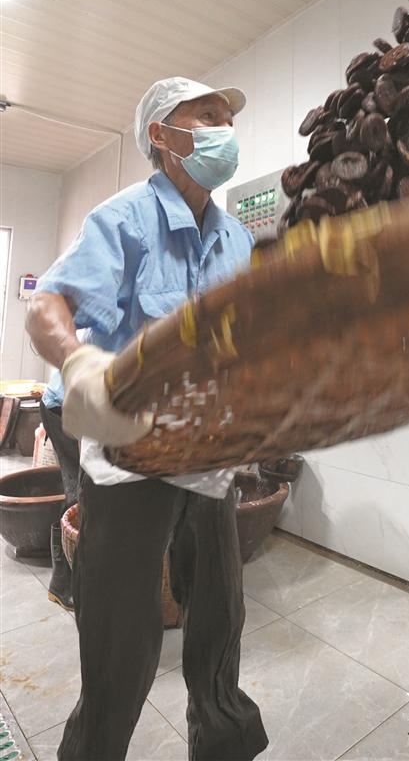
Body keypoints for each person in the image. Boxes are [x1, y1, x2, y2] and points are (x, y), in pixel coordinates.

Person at [26, 76, 269, 761]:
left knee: (219, 615)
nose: (225, 131)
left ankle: (223, 744)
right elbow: (48, 305)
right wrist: (77, 361)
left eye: (228, 120)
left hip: (208, 452)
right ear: (162, 135)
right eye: (208, 116)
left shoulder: (236, 239)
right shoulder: (125, 220)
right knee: (120, 634)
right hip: (130, 453)